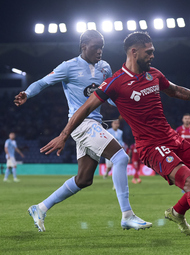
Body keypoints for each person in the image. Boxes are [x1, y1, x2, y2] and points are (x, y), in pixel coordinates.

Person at [41, 31, 190, 245]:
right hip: (151, 147)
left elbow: (176, 91)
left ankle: (177, 212)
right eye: (148, 52)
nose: (152, 56)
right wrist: (64, 135)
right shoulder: (115, 83)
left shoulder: (154, 74)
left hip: (172, 139)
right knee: (189, 181)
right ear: (134, 52)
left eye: (153, 52)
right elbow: (84, 109)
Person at [14, 30, 151, 232]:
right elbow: (43, 82)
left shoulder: (105, 67)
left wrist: (127, 101)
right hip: (81, 124)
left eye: (102, 47)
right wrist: (27, 93)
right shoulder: (68, 66)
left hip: (94, 124)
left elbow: (109, 94)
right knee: (121, 158)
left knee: (84, 179)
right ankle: (127, 215)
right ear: (84, 46)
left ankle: (40, 208)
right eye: (96, 47)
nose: (100, 51)